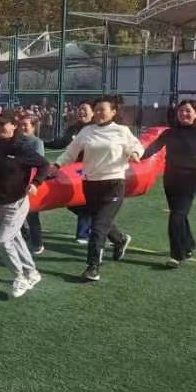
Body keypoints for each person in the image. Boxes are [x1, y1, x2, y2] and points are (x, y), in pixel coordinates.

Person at [53, 96, 144, 282]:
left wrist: (135, 153)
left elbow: (136, 146)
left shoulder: (121, 131)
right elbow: (71, 152)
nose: (99, 113)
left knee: (98, 226)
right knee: (100, 221)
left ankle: (93, 267)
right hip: (91, 184)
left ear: (113, 112)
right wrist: (56, 165)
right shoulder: (87, 131)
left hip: (114, 183)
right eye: (96, 110)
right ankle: (120, 240)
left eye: (103, 109)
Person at [0, 111, 49, 298]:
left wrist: (35, 183)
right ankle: (32, 272)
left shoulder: (21, 147)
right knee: (15, 238)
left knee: (3, 241)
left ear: (14, 125)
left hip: (16, 203)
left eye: (3, 124)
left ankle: (20, 277)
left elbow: (44, 165)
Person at [141, 99, 196, 267]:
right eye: (181, 111)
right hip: (171, 179)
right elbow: (152, 148)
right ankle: (189, 244)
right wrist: (136, 156)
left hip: (190, 179)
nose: (184, 114)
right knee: (179, 214)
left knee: (176, 216)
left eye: (188, 111)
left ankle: (176, 255)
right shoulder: (169, 133)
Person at [44, 100, 94, 244]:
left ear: (93, 113)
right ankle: (93, 226)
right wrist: (43, 143)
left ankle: (83, 234)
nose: (81, 112)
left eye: (85, 109)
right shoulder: (74, 128)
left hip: (93, 170)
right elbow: (62, 143)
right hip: (75, 170)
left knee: (86, 201)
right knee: (72, 202)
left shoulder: (96, 129)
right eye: (80, 109)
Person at [18, 115, 46, 255]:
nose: (22, 127)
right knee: (15, 213)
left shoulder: (36, 142)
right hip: (16, 181)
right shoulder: (16, 140)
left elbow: (39, 162)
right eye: (21, 124)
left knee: (32, 214)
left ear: (33, 127)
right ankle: (22, 236)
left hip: (30, 182)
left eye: (26, 125)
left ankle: (37, 243)